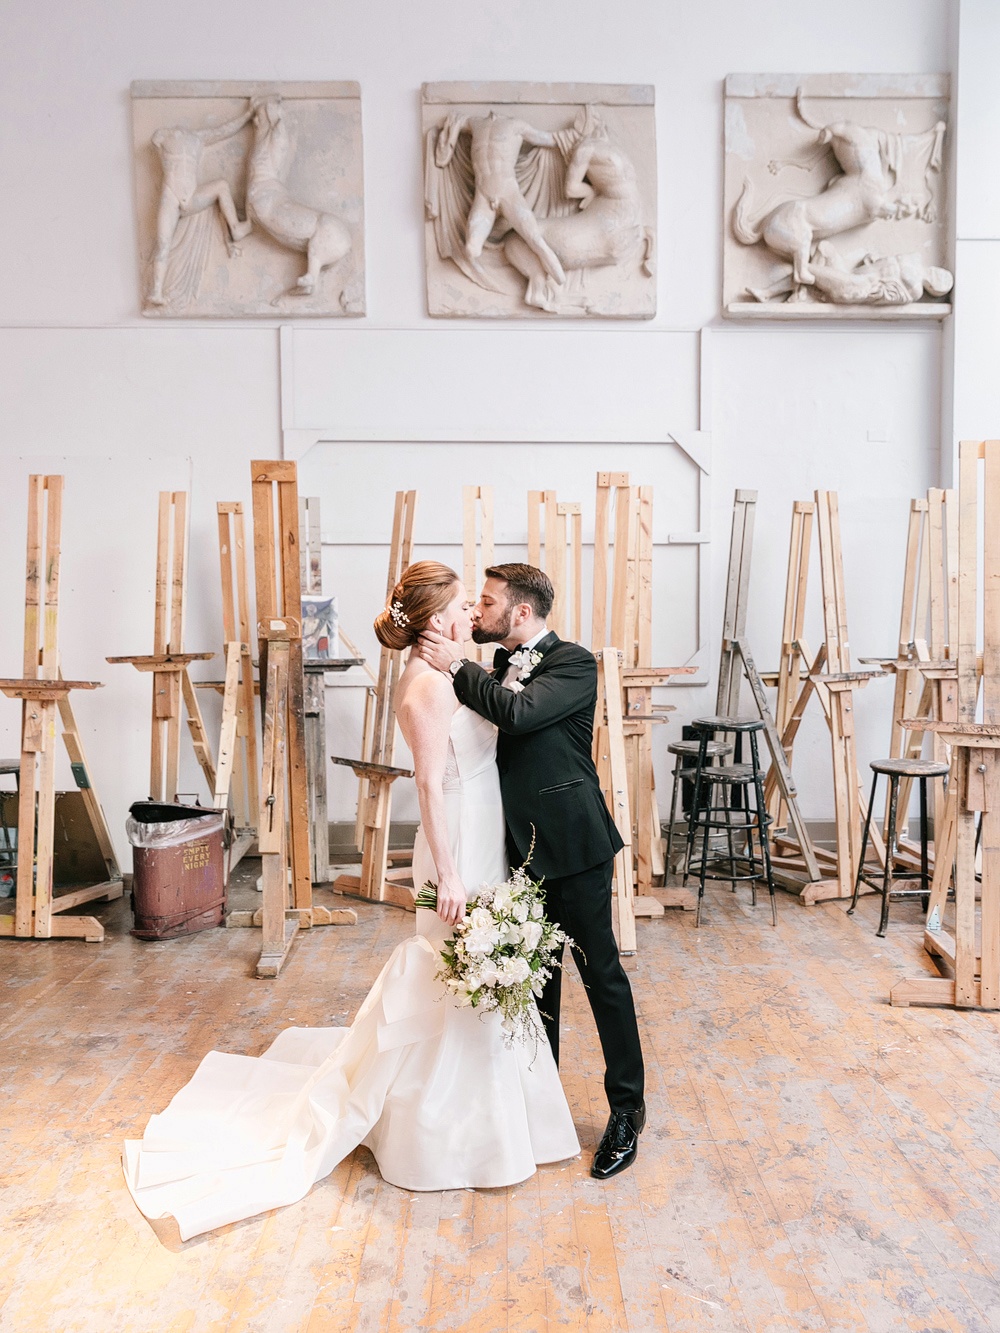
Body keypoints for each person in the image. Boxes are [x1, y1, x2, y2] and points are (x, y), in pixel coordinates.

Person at [123, 562, 579, 1241]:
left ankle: (503, 1118)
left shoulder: (453, 671)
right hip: (455, 835)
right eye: (459, 608)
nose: (468, 618)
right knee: (455, 962)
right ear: (433, 622)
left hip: (485, 828)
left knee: (474, 966)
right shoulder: (424, 689)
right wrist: (447, 873)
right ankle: (446, 1130)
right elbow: (426, 786)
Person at [417, 563, 646, 1180]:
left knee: (602, 979)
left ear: (520, 614)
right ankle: (536, 1110)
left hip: (574, 848)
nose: (477, 613)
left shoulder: (574, 664)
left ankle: (627, 1110)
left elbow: (517, 718)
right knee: (533, 985)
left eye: (486, 603)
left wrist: (452, 665)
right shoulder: (495, 669)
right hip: (516, 855)